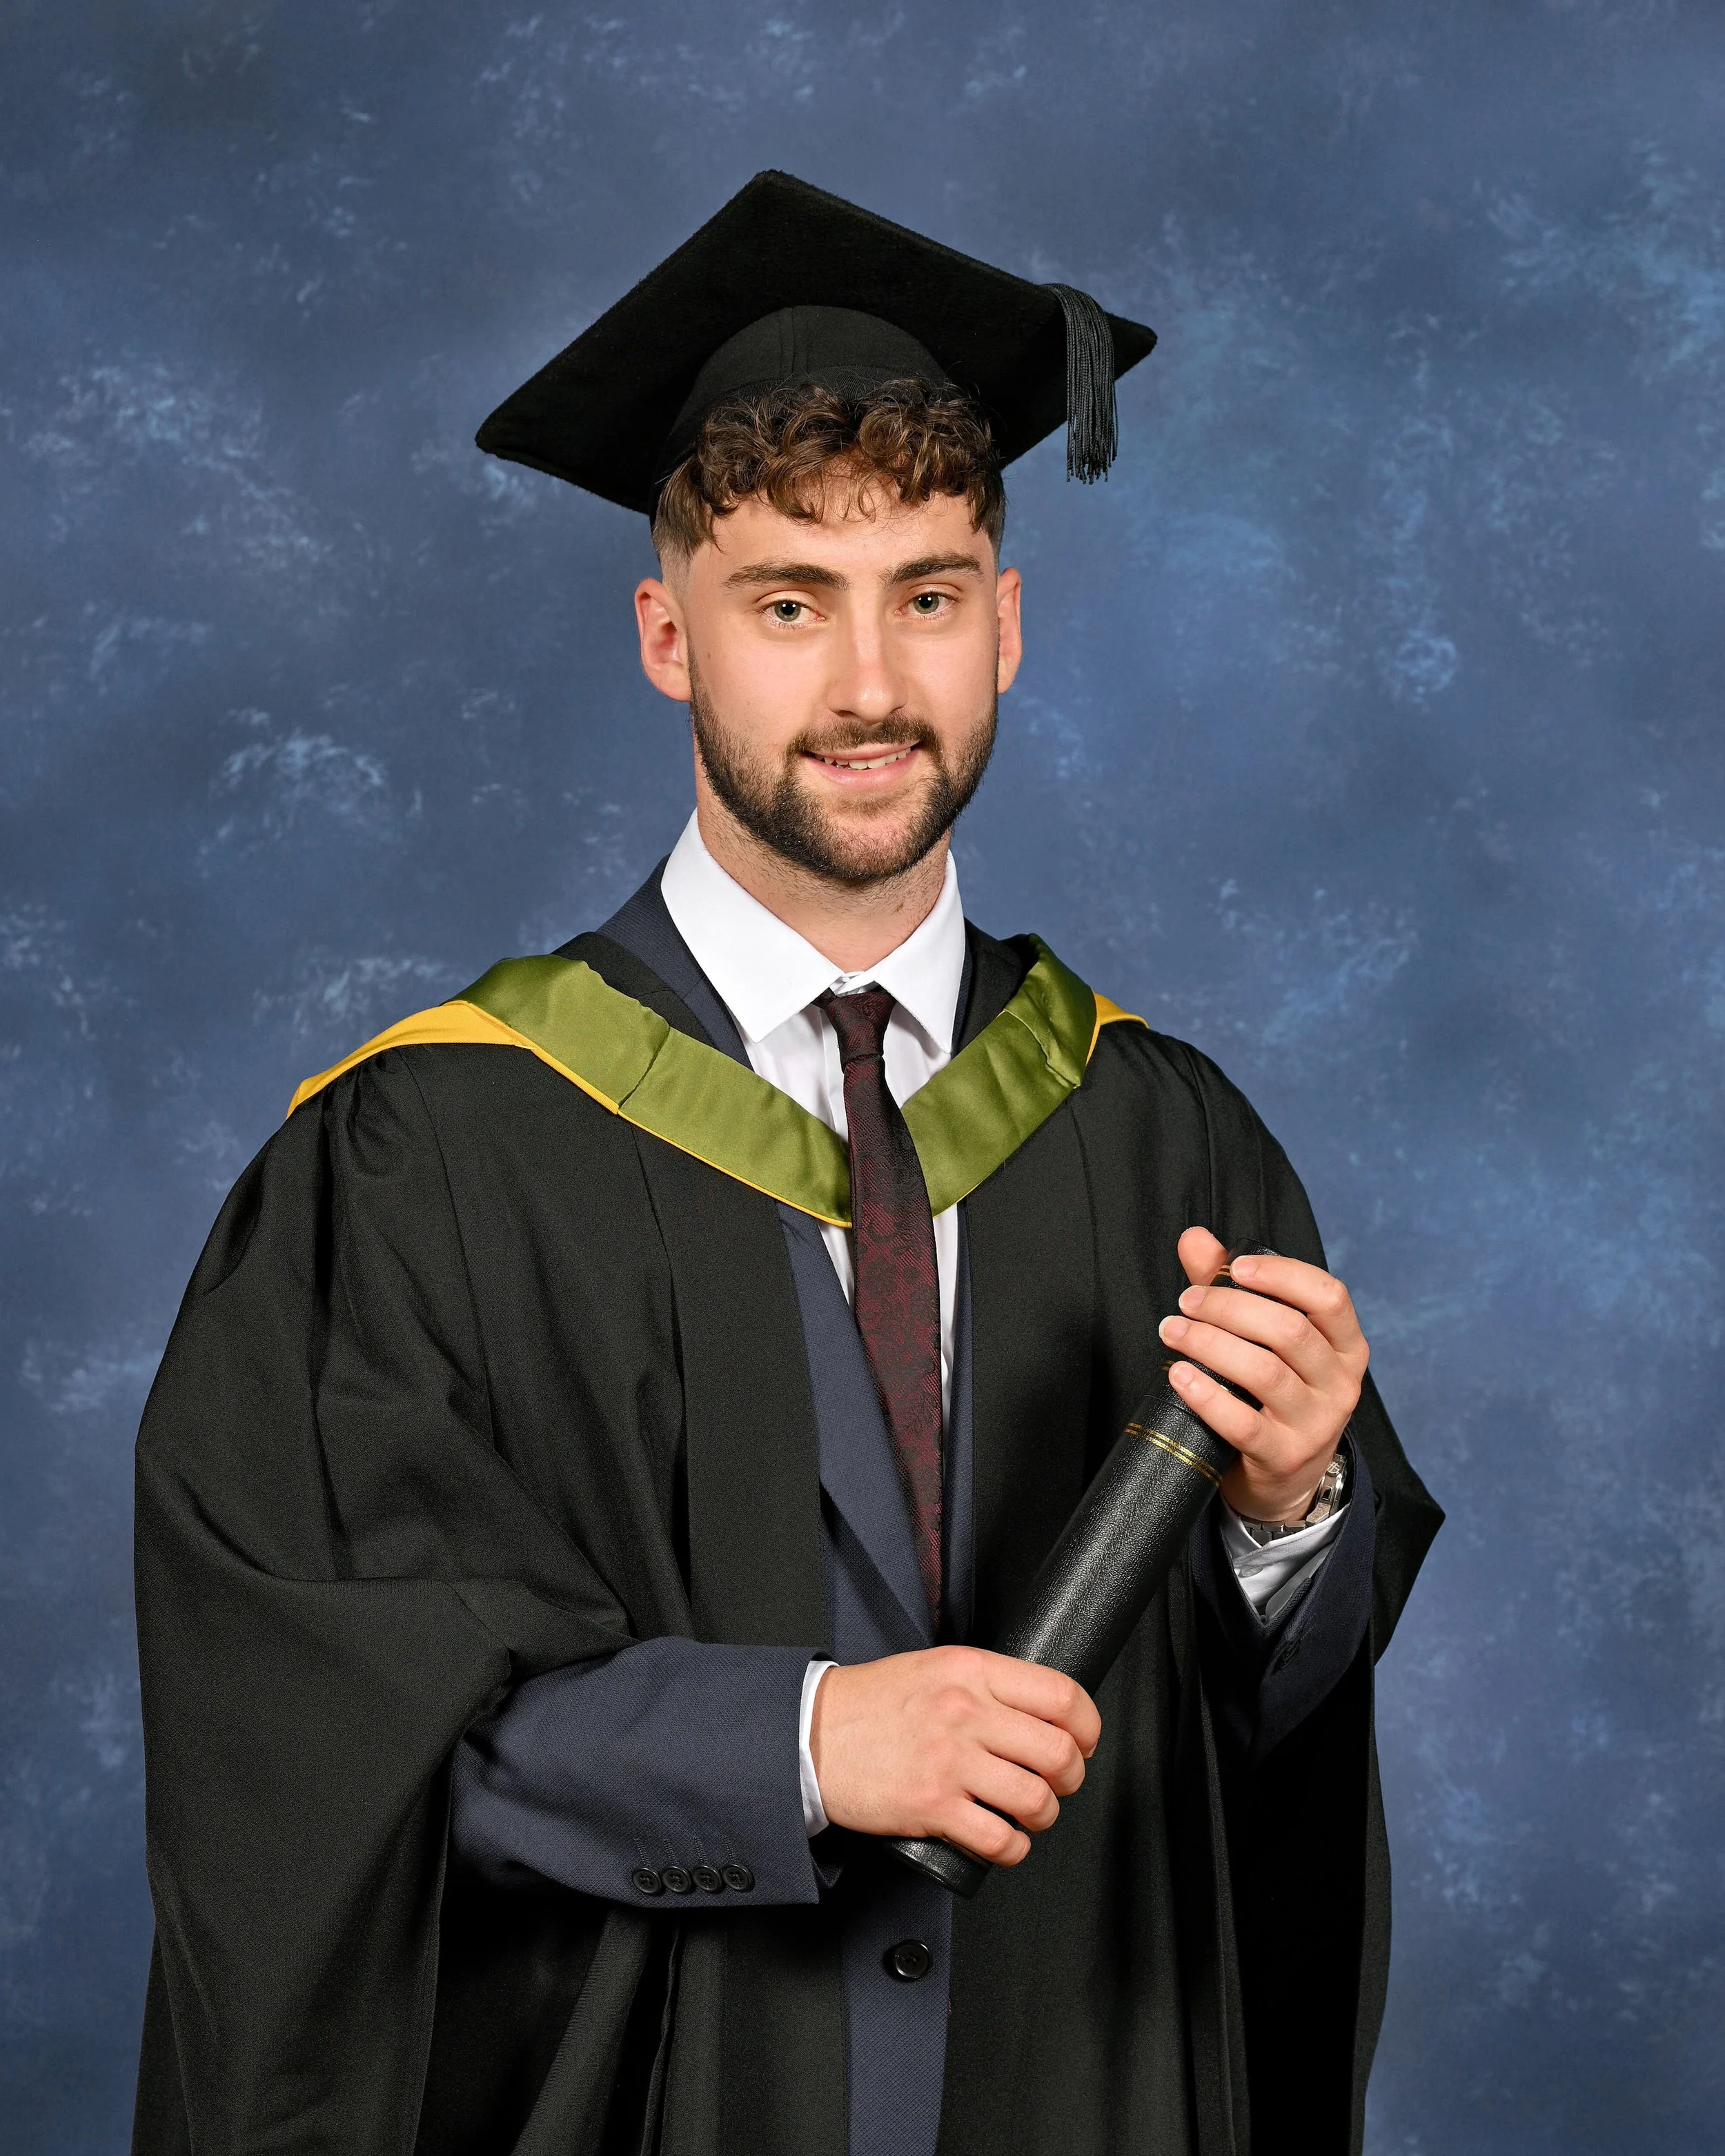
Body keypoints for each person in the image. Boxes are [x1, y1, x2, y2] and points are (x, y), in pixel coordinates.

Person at [131, 171, 1441, 2156]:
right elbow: (316, 1735)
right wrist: (808, 1743)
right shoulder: (428, 1156)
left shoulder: (1154, 1123)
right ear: (669, 637)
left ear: (1002, 624)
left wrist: (1288, 1509)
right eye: (785, 604)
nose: (864, 689)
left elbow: (1268, 1749)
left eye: (923, 595)